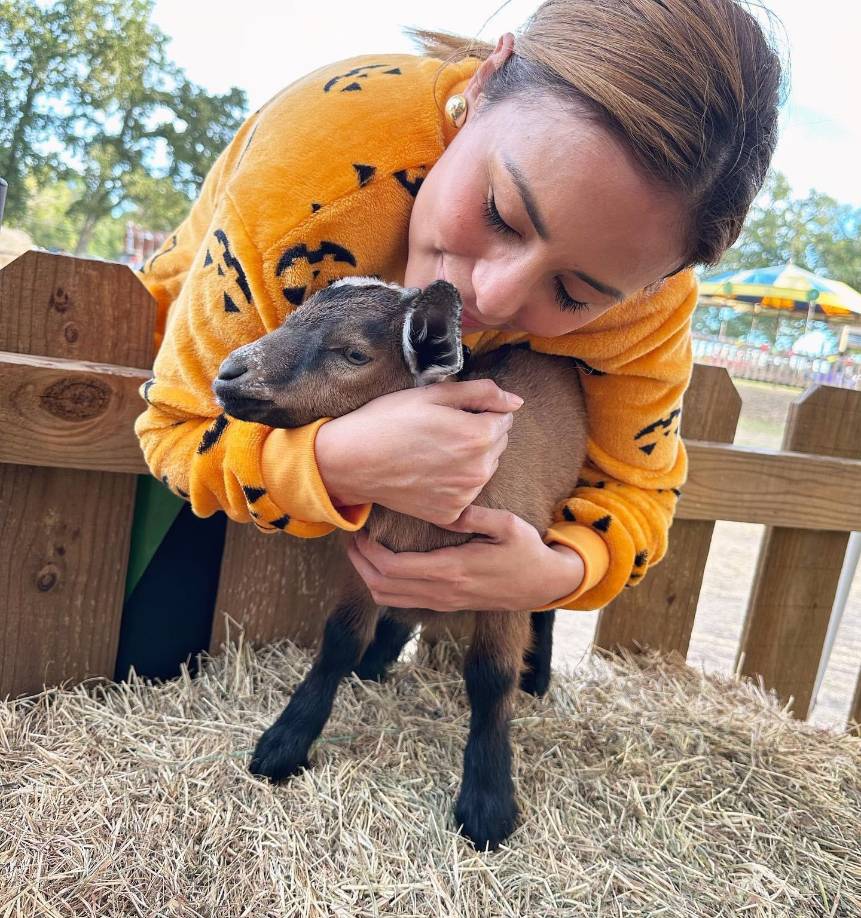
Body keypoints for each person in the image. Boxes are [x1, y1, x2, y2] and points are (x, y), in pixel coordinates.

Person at [134, 0, 782, 615]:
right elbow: (175, 428)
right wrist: (341, 464)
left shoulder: (644, 297)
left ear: (656, 281)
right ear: (484, 82)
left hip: (381, 551)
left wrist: (554, 573)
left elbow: (642, 490)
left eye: (573, 293)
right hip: (200, 473)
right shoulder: (319, 161)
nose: (493, 296)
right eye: (500, 213)